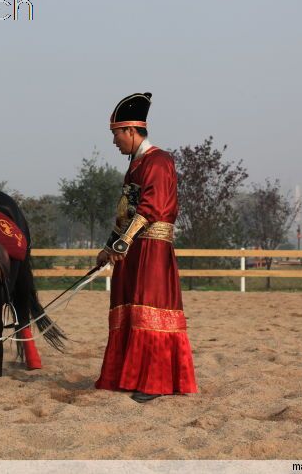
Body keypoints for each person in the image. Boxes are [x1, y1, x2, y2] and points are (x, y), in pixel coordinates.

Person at [95, 92, 198, 403]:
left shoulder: (159, 161)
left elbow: (151, 207)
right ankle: (130, 376)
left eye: (116, 134)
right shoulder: (135, 166)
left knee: (150, 312)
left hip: (152, 249)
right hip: (134, 250)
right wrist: (108, 247)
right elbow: (125, 211)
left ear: (131, 130)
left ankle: (156, 382)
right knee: (129, 310)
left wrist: (123, 242)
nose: (114, 142)